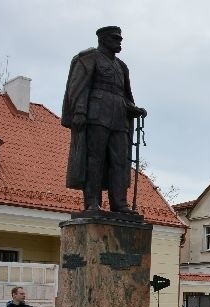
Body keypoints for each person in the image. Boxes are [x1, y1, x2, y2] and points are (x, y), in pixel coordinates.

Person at [61, 26, 147, 213]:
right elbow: (78, 87)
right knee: (94, 159)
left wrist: (134, 109)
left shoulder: (121, 66)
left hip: (119, 118)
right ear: (103, 39)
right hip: (96, 115)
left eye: (120, 38)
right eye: (115, 38)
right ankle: (92, 202)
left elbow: (123, 94)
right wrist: (80, 111)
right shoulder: (89, 58)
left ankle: (119, 204)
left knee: (120, 161)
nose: (120, 41)